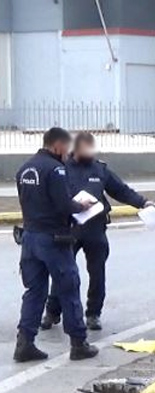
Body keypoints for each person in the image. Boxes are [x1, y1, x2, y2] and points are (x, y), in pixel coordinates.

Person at [41, 133, 153, 332]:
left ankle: (93, 314)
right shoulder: (62, 169)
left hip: (95, 228)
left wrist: (142, 202)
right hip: (70, 228)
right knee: (63, 272)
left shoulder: (100, 169)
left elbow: (121, 190)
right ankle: (52, 312)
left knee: (97, 273)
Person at [14, 128, 99, 363]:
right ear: (58, 146)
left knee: (34, 291)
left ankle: (25, 343)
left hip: (30, 238)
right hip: (53, 239)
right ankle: (78, 343)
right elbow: (64, 205)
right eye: (67, 148)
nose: (68, 153)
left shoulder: (25, 169)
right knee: (69, 288)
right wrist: (82, 206)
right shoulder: (55, 169)